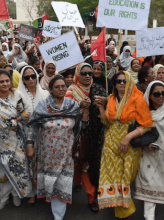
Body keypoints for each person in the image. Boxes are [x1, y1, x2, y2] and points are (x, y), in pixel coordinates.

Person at [27, 75, 87, 220]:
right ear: (51, 89)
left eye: (63, 86)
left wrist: (85, 110)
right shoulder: (43, 106)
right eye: (57, 87)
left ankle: (58, 215)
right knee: (50, 180)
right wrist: (30, 144)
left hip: (66, 152)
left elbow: (81, 126)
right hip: (47, 154)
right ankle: (52, 201)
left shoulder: (73, 106)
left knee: (62, 181)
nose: (61, 89)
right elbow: (33, 126)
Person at [97, 71, 153, 219]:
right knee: (112, 177)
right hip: (110, 144)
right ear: (114, 84)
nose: (121, 84)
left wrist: (127, 137)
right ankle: (123, 212)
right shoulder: (111, 99)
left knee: (125, 178)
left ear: (129, 82)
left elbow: (147, 125)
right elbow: (107, 122)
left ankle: (123, 208)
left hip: (129, 145)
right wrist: (101, 108)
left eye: (124, 81)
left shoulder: (138, 99)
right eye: (118, 81)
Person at [0, 70, 32, 210]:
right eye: (1, 81)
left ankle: (16, 195)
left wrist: (17, 119)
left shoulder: (17, 95)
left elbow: (28, 111)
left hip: (18, 138)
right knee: (3, 169)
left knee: (19, 167)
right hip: (0, 140)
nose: (5, 84)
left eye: (7, 81)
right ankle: (3, 198)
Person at [134, 81, 164, 220]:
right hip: (146, 153)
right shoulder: (142, 109)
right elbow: (136, 130)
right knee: (147, 182)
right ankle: (149, 216)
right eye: (157, 93)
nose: (161, 96)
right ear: (149, 95)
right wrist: (144, 142)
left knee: (158, 184)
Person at [65, 63, 108, 213]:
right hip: (77, 134)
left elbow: (110, 108)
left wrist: (105, 101)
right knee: (78, 161)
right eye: (84, 73)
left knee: (90, 166)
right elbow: (66, 111)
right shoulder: (72, 90)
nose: (88, 75)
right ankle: (77, 183)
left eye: (90, 73)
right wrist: (79, 105)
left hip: (96, 134)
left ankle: (92, 198)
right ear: (78, 74)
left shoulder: (98, 89)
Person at [17, 65, 49, 206]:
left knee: (41, 163)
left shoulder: (46, 94)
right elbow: (16, 115)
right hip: (25, 133)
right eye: (26, 77)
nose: (30, 79)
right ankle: (31, 193)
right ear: (22, 80)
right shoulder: (17, 95)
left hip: (43, 134)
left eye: (33, 76)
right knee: (28, 163)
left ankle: (41, 190)